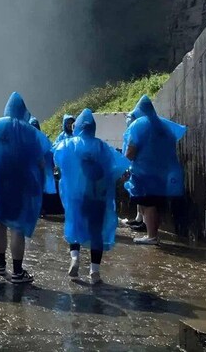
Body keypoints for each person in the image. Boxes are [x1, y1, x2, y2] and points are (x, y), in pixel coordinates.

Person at [0, 92, 50, 284]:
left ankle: (0, 264)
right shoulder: (30, 132)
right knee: (17, 227)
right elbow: (40, 163)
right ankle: (17, 271)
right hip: (20, 184)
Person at [53, 109, 130, 284]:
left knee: (74, 226)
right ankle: (94, 271)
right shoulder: (103, 147)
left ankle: (75, 257)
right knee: (96, 232)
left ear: (77, 126)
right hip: (98, 197)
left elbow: (56, 158)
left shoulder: (69, 145)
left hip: (77, 197)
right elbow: (117, 168)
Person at [123, 95, 186, 245]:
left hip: (144, 172)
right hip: (164, 173)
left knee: (148, 203)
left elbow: (131, 152)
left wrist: (125, 163)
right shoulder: (164, 126)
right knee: (156, 203)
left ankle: (151, 236)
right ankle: (153, 234)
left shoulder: (139, 125)